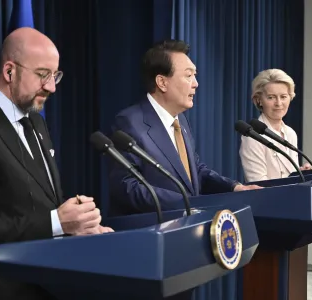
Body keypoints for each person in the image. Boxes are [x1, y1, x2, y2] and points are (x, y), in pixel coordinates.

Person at [0, 27, 112, 300]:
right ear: (9, 72)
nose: (52, 87)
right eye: (43, 75)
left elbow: (41, 201)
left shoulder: (36, 120)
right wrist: (57, 223)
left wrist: (78, 227)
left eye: (55, 76)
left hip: (42, 286)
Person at [108, 39, 261, 216]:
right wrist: (185, 204)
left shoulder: (181, 120)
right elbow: (127, 186)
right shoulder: (129, 122)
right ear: (162, 82)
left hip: (185, 230)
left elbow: (194, 171)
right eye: (188, 75)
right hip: (151, 233)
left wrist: (234, 187)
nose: (195, 83)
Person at [239, 69, 311, 182]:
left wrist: (302, 174)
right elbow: (258, 184)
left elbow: (288, 174)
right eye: (271, 97)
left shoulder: (290, 133)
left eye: (283, 97)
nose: (278, 103)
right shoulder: (252, 136)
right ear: (259, 100)